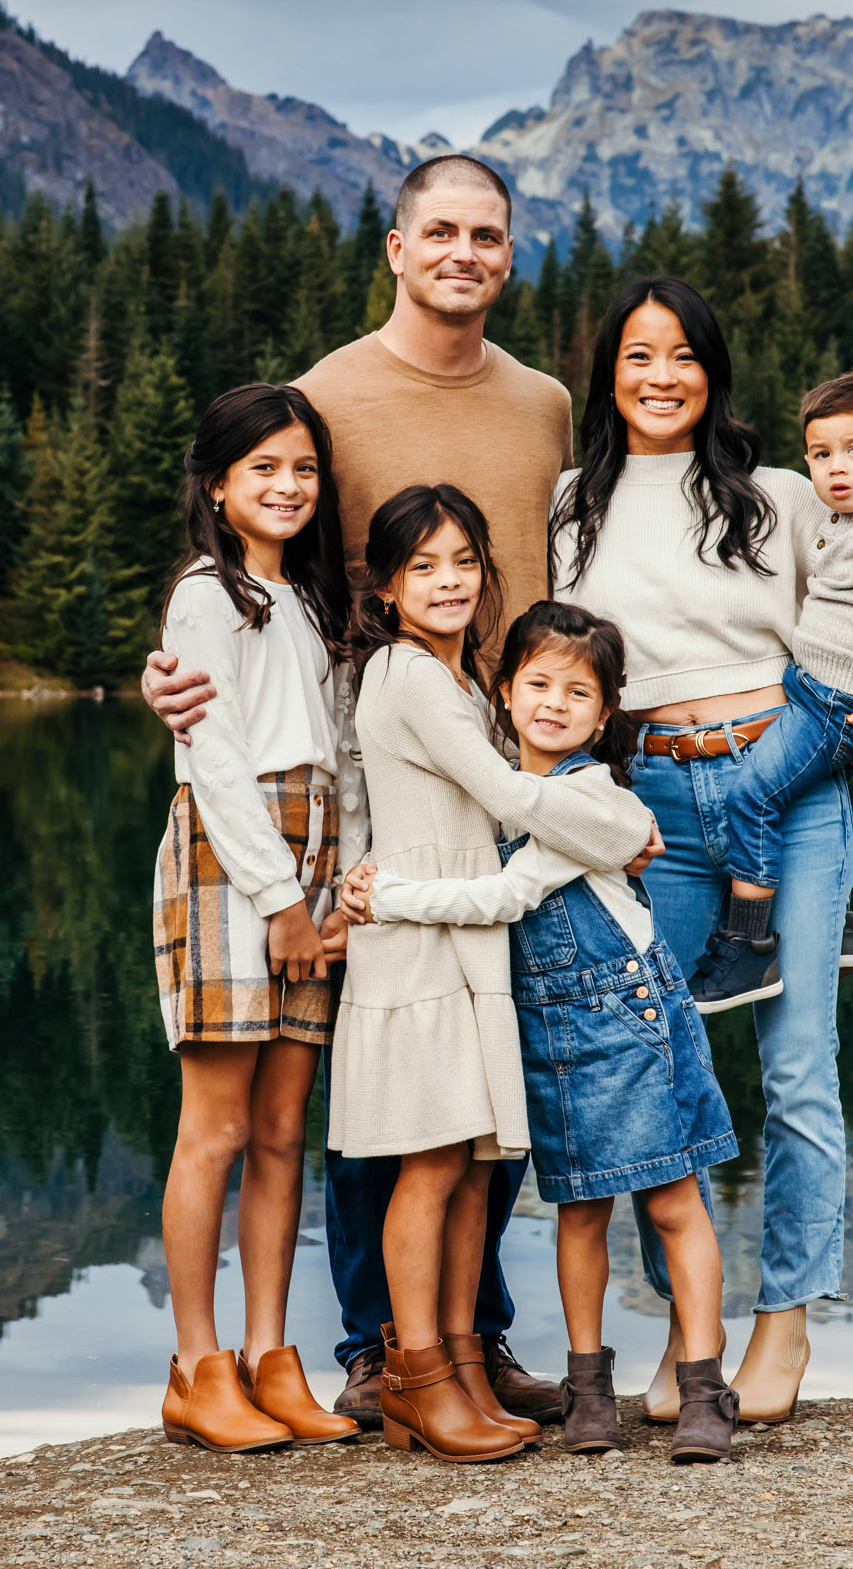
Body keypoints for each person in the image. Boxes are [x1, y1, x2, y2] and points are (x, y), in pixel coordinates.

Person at [142, 154, 592, 1430]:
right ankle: (371, 1341)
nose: (464, 250)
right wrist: (170, 675)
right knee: (380, 1063)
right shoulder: (331, 394)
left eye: (487, 234)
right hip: (374, 762)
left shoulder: (547, 402)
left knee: (483, 1050)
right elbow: (252, 555)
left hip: (510, 754)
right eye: (438, 230)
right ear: (394, 247)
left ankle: (467, 1334)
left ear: (512, 253)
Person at [548, 275, 853, 1424]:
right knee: (661, 1072)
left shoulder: (780, 495)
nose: (659, 376)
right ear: (606, 371)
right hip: (650, 800)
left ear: (712, 369)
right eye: (636, 355)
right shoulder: (572, 501)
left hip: (789, 784)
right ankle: (692, 1326)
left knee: (800, 1063)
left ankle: (788, 1319)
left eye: (681, 355)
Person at [339, 601, 741, 1463]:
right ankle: (588, 1386)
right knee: (580, 1208)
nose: (555, 703)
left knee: (673, 1201)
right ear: (506, 692)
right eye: (538, 684)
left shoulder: (584, 798)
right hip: (552, 1031)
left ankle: (707, 1383)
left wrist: (388, 898)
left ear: (605, 713)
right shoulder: (501, 795)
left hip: (628, 1017)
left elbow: (505, 898)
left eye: (579, 691)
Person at [332, 487, 654, 1461]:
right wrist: (622, 827)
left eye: (463, 560)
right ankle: (418, 1377)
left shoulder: (458, 678)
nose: (447, 580)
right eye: (423, 565)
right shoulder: (407, 673)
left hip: (464, 931)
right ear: (386, 588)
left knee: (474, 1165)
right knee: (432, 1165)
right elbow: (511, 791)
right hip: (423, 934)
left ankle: (466, 1366)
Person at [150, 383, 365, 1453]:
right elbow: (215, 758)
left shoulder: (311, 601)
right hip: (234, 862)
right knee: (219, 1127)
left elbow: (337, 754)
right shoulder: (207, 595)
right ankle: (198, 1365)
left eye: (303, 468)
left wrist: (337, 884)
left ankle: (274, 1354)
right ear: (217, 485)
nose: (286, 486)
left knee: (285, 1128)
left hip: (315, 853)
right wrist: (279, 898)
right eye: (263, 468)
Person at [689, 367, 853, 1012]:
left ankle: (748, 945)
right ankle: (835, 924)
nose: (835, 469)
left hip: (838, 707)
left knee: (749, 796)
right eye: (820, 454)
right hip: (813, 688)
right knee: (812, 798)